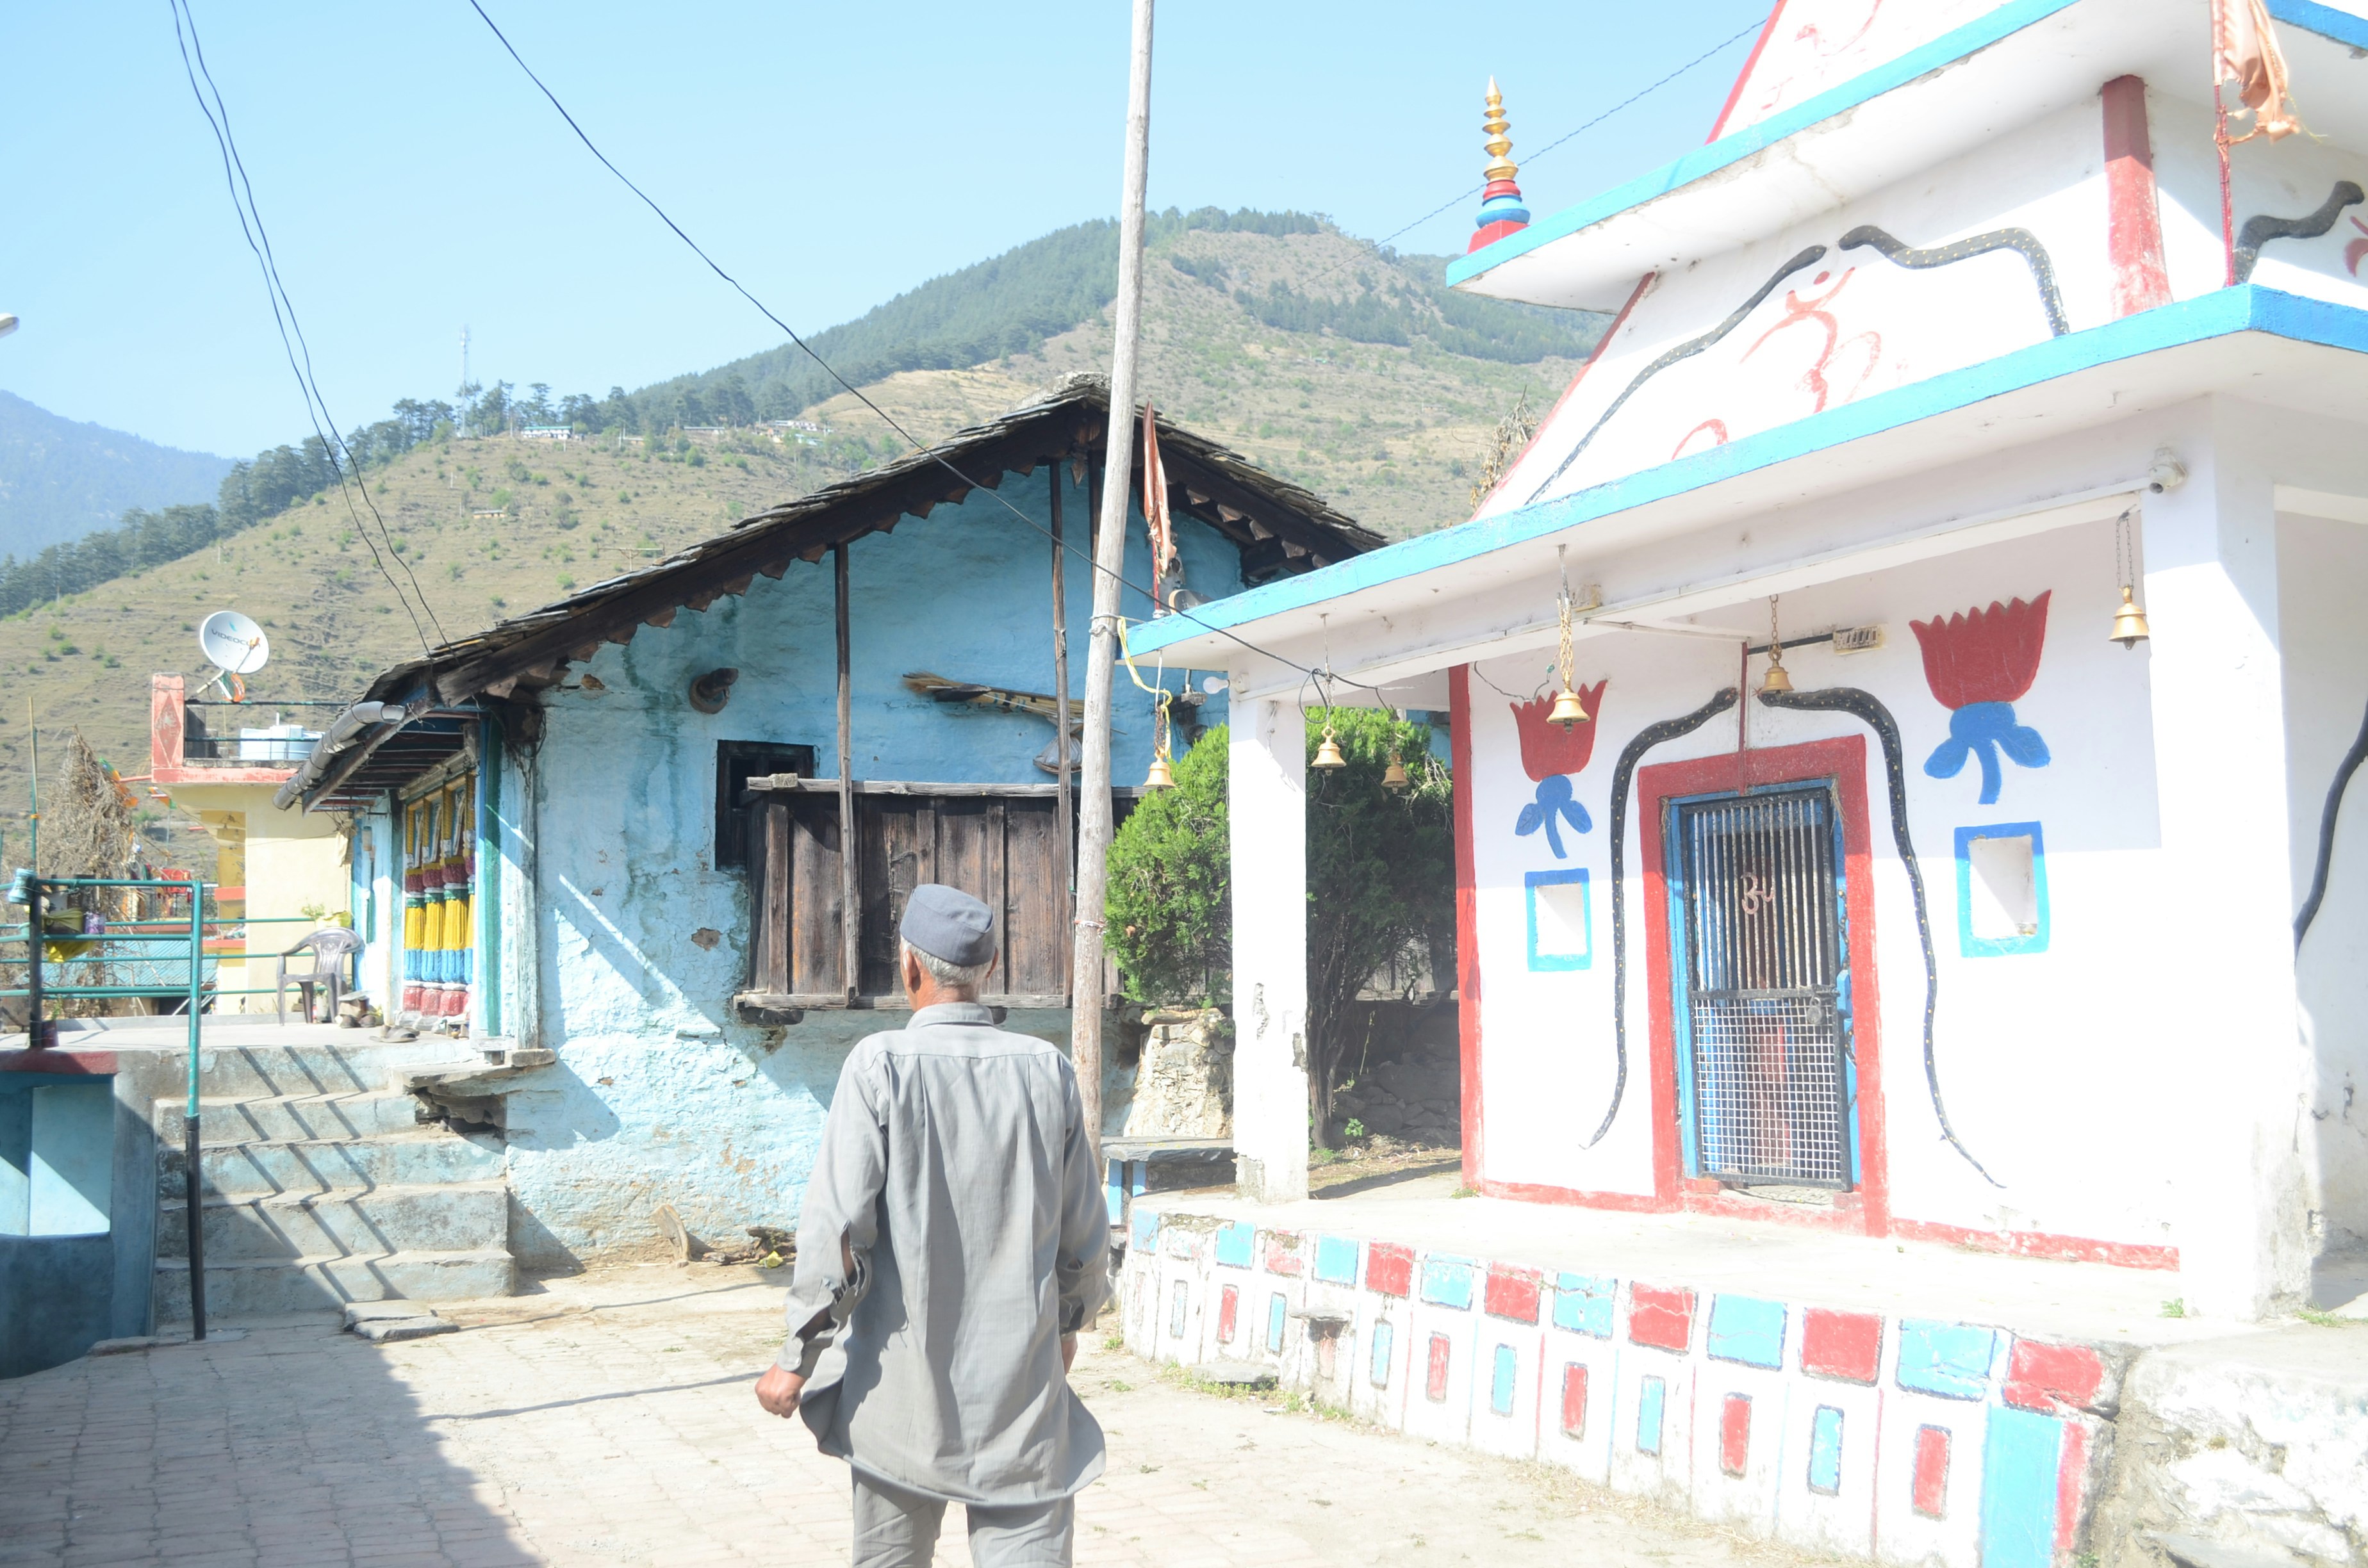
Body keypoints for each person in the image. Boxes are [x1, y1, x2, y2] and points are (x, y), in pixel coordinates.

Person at [755, 883, 1110, 1567]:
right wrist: (1068, 1328)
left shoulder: (880, 1065)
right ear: (991, 968)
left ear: (910, 968)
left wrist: (797, 1358)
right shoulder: (1047, 1070)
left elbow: (840, 1237)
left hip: (900, 1401)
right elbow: (1084, 1239)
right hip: (1023, 1402)